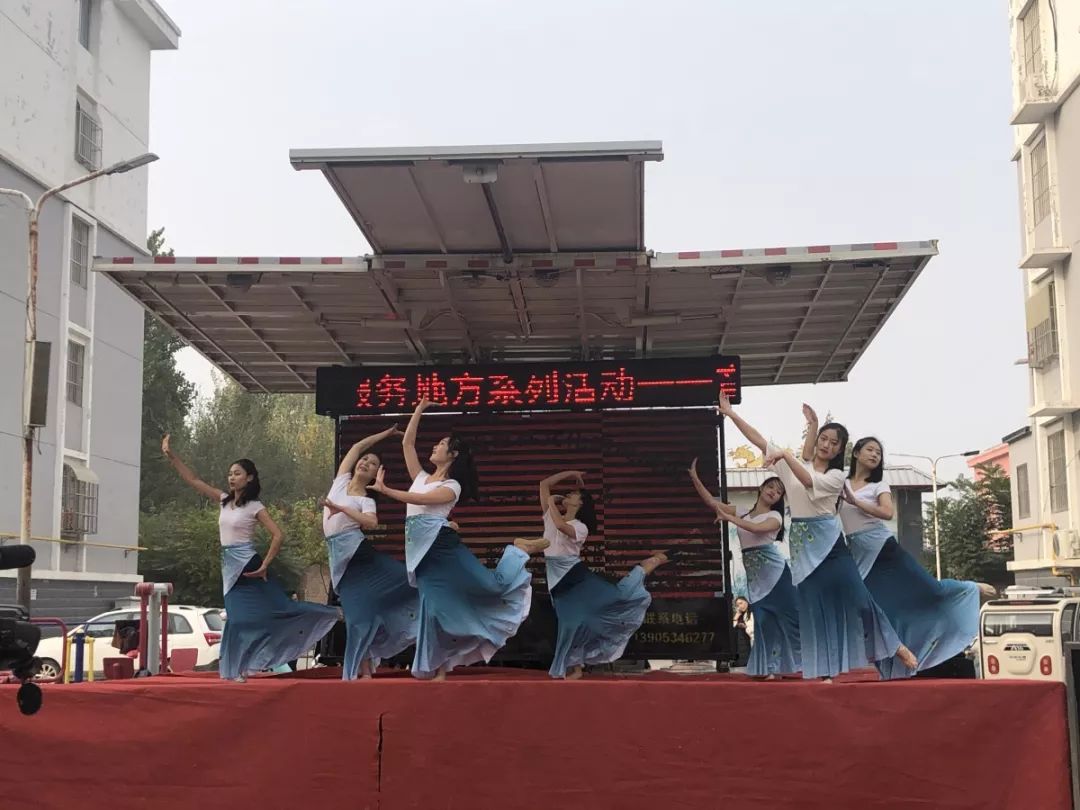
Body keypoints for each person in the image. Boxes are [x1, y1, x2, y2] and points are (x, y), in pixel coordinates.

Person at [717, 397, 918, 681]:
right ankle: (825, 671)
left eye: (834, 443)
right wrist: (731, 414)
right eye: (824, 439)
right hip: (802, 546)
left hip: (831, 544)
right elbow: (759, 440)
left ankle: (895, 645)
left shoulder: (836, 476)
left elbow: (808, 481)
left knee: (859, 598)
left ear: (840, 450)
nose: (827, 445)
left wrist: (786, 454)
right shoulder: (792, 465)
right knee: (815, 610)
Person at [367, 398, 549, 680]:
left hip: (443, 549)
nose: (435, 446)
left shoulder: (453, 486)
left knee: (490, 585)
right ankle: (440, 666)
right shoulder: (421, 477)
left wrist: (386, 490)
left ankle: (517, 552)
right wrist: (419, 409)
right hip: (422, 555)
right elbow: (407, 444)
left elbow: (421, 500)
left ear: (452, 454)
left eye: (441, 444)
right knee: (433, 609)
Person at [161, 435, 339, 682]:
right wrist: (172, 456)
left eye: (237, 473)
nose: (231, 477)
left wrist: (265, 564)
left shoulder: (255, 506)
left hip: (248, 565)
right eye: (230, 474)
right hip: (229, 567)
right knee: (238, 619)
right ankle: (237, 669)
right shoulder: (224, 501)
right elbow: (194, 480)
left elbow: (278, 534)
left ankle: (331, 614)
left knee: (279, 609)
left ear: (250, 478)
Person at [841, 436, 980, 679]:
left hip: (883, 549)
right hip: (858, 554)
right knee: (880, 610)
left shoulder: (879, 484)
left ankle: (968, 589)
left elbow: (887, 512)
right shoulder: (841, 482)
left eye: (878, 453)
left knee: (931, 590)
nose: (874, 455)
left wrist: (855, 502)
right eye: (870, 450)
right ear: (856, 453)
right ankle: (894, 666)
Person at [538, 470, 669, 680]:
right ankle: (576, 667)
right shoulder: (550, 516)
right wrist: (570, 473)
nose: (568, 494)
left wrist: (552, 502)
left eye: (573, 494)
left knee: (613, 598)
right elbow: (544, 484)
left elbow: (561, 527)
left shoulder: (580, 527)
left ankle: (642, 569)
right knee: (570, 622)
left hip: (575, 576)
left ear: (579, 504)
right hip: (556, 577)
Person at [320, 425, 419, 680]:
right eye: (365, 460)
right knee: (358, 617)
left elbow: (371, 523)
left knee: (415, 581)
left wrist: (342, 509)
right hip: (342, 560)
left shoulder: (366, 500)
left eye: (372, 464)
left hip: (361, 556)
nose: (365, 463)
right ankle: (363, 671)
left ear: (376, 474)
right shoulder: (340, 482)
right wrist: (386, 434)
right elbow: (357, 447)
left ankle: (444, 609)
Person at [691, 461, 800, 679]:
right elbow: (712, 503)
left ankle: (795, 665)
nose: (773, 492)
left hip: (776, 574)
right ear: (761, 488)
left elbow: (756, 528)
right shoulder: (743, 512)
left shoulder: (776, 517)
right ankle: (768, 668)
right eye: (771, 487)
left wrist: (729, 518)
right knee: (764, 621)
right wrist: (694, 476)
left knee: (789, 618)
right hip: (755, 576)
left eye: (779, 492)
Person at [731, 596, 753, 667]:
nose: (740, 606)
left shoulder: (752, 613)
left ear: (746, 602)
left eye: (741, 603)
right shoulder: (740, 614)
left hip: (750, 639)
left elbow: (753, 628)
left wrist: (745, 627)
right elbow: (732, 628)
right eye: (738, 605)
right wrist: (736, 616)